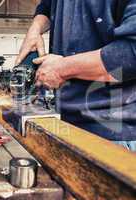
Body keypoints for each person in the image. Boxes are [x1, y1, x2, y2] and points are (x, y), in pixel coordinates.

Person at [16, 0, 136, 150]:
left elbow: (131, 53)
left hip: (113, 132)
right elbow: (46, 6)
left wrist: (61, 69)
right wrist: (35, 29)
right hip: (66, 122)